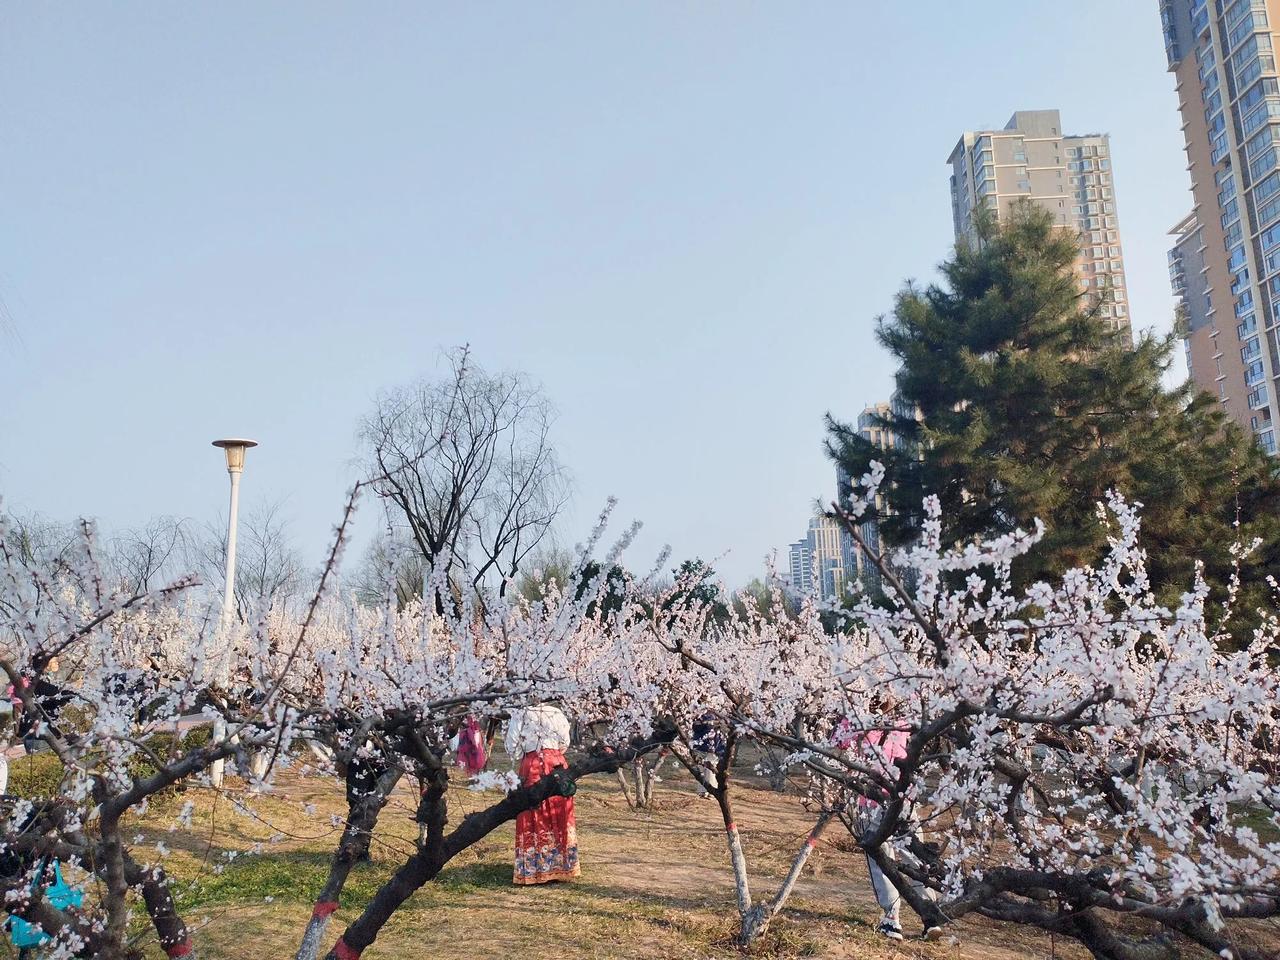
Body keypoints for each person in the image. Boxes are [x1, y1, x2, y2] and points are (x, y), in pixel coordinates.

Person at [834, 700, 942, 943]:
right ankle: (930, 917)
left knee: (881, 861)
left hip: (873, 802)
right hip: (904, 799)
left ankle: (893, 919)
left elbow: (838, 742)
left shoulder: (859, 718)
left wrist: (848, 713)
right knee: (914, 857)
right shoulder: (902, 719)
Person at [505, 703, 578, 885]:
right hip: (557, 764)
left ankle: (534, 868)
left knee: (532, 810)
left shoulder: (520, 712)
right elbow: (564, 742)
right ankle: (562, 865)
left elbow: (512, 747)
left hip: (532, 764)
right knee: (559, 810)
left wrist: (528, 752)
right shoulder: (556, 712)